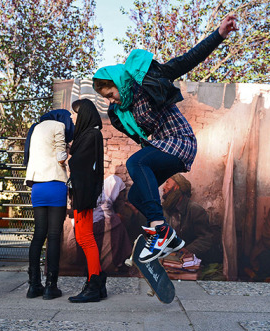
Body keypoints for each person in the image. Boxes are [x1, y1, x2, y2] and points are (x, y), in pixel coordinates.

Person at [92, 15, 238, 263]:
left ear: (119, 82)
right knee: (137, 195)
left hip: (180, 140)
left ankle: (162, 232)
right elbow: (139, 137)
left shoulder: (148, 79)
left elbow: (186, 61)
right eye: (107, 98)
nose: (112, 100)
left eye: (111, 93)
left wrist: (219, 34)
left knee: (135, 163)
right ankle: (160, 240)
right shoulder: (122, 112)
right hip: (164, 147)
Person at [23, 109, 74, 300]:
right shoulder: (59, 126)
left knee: (38, 235)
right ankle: (50, 286)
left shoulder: (35, 128)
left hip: (37, 186)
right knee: (53, 236)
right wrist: (67, 151)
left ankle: (33, 285)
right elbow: (61, 157)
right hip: (55, 184)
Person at [67, 99, 105, 303]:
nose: (75, 117)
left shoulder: (92, 134)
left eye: (78, 113)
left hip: (84, 191)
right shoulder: (89, 135)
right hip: (81, 191)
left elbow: (78, 161)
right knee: (83, 237)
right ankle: (98, 281)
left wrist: (68, 155)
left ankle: (93, 284)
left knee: (86, 238)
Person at [162, 174, 222, 264]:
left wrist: (188, 250)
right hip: (170, 261)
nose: (164, 187)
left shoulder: (195, 210)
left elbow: (206, 238)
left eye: (167, 183)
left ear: (176, 187)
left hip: (192, 262)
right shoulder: (164, 211)